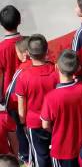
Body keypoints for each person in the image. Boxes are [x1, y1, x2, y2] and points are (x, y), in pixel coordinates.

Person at [41, 49, 82, 167]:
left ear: (56, 67)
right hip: (81, 144)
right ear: (77, 69)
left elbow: (45, 125)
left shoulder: (51, 98)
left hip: (61, 149)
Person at [15, 34, 58, 167]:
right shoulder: (55, 70)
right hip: (55, 119)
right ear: (46, 51)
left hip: (34, 123)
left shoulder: (24, 77)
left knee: (40, 156)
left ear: (28, 53)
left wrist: (22, 121)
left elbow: (21, 103)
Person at [4, 37, 30, 164]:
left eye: (17, 52)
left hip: (17, 107)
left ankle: (25, 156)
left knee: (20, 133)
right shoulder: (46, 65)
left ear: (25, 54)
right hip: (35, 109)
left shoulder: (21, 70)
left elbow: (10, 92)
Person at [0, 5, 22, 105]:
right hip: (27, 90)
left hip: (9, 93)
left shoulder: (1, 48)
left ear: (2, 24)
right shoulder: (27, 42)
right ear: (19, 21)